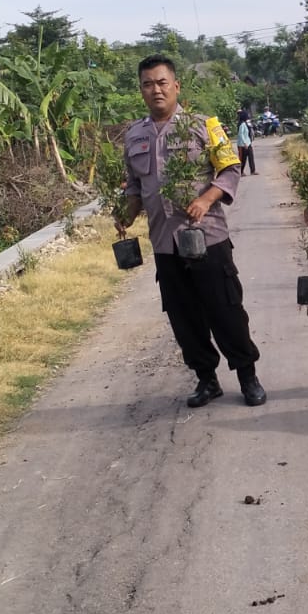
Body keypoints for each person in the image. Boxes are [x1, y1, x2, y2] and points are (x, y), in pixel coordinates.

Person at [114, 55, 266, 407]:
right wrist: (126, 211)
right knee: (184, 318)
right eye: (148, 84)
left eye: (162, 82)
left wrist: (207, 198)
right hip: (166, 245)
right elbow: (134, 186)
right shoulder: (134, 135)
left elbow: (229, 168)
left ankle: (248, 376)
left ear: (176, 86)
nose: (156, 90)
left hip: (207, 238)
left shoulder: (204, 125)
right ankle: (206, 380)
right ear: (141, 90)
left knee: (225, 311)